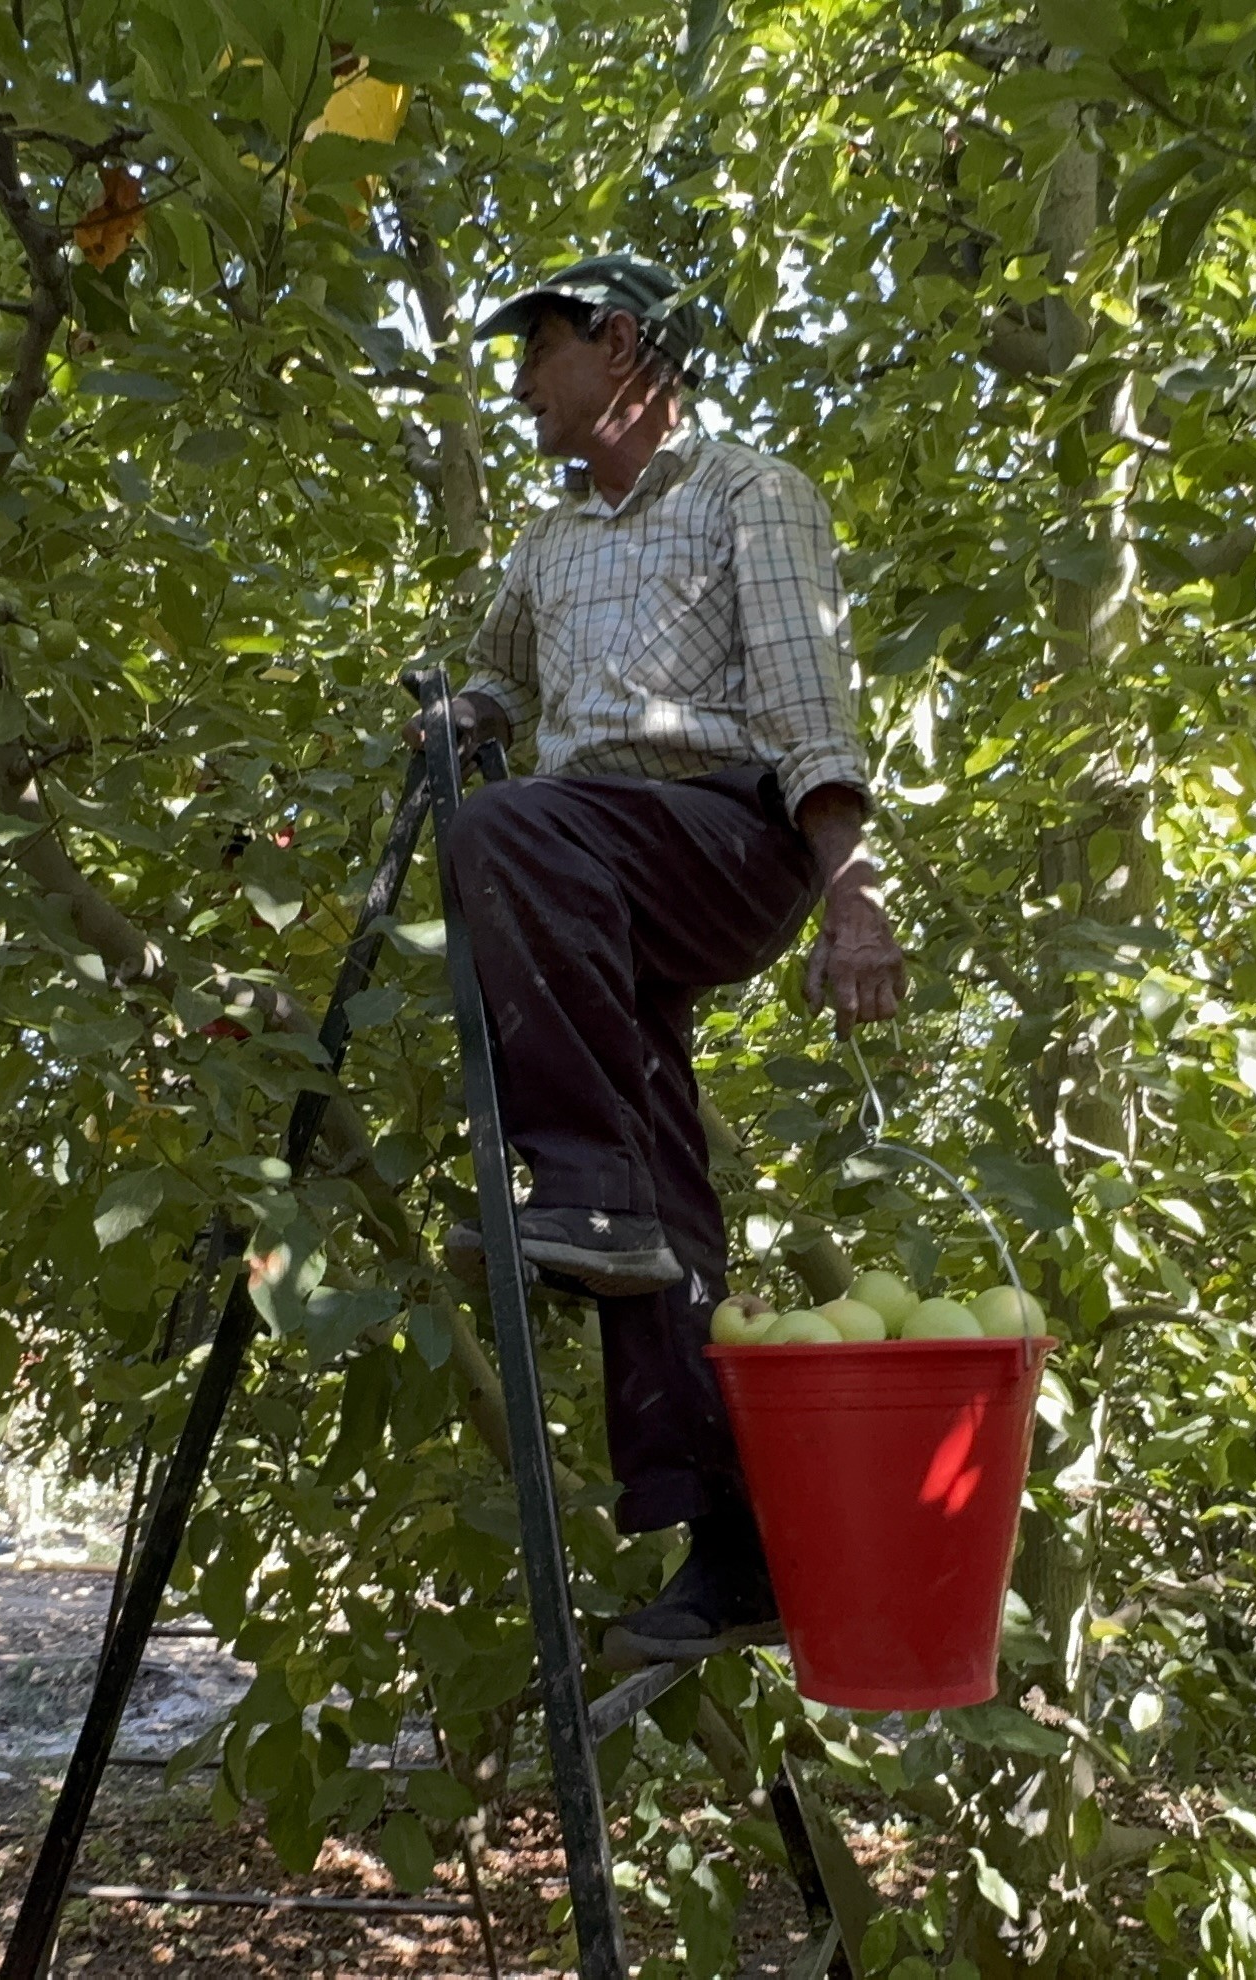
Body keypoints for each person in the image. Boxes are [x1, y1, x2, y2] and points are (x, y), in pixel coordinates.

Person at [421, 254, 904, 1662]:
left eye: (541, 350)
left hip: (719, 839)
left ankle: (582, 1187)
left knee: (505, 836)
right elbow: (502, 681)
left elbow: (809, 707)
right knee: (653, 1197)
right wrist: (455, 716)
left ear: (623, 348)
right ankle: (733, 1544)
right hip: (590, 885)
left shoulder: (751, 491)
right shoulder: (549, 541)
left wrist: (853, 900)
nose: (520, 384)